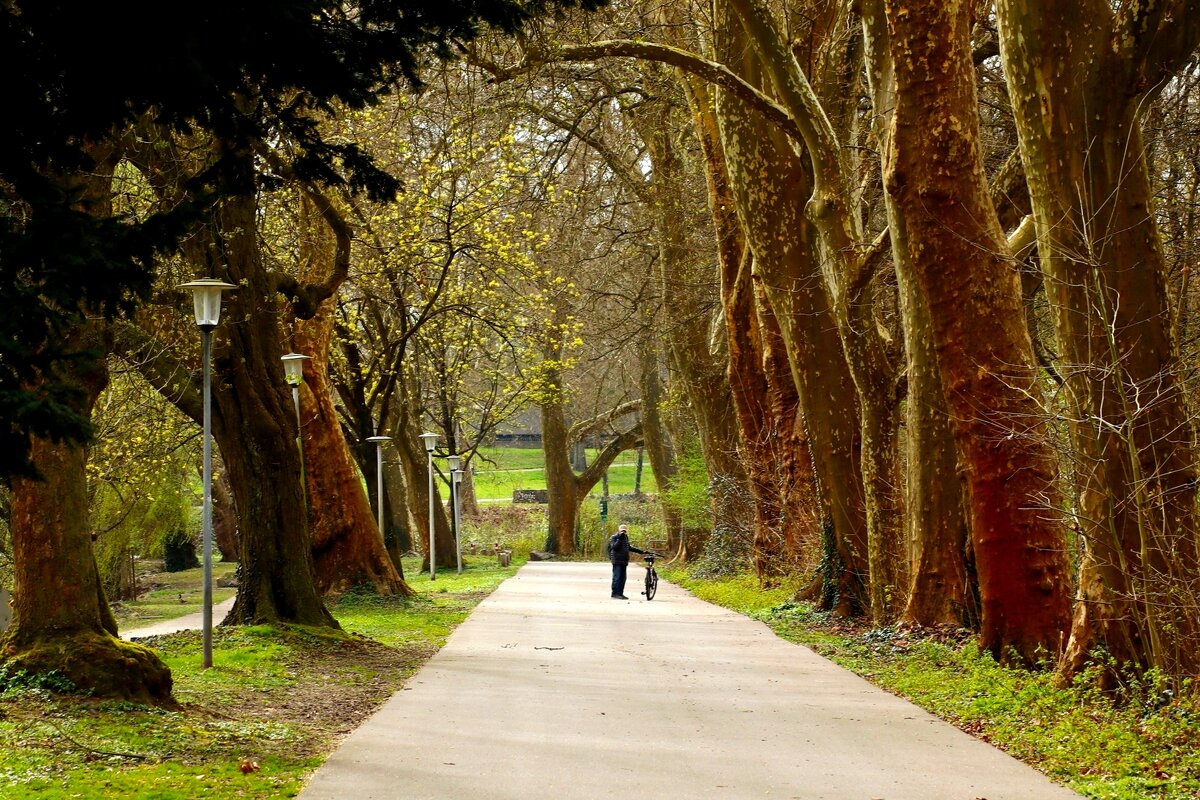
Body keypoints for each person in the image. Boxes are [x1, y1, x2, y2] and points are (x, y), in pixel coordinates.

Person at [606, 524, 648, 599]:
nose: (623, 532)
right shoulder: (614, 537)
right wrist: (619, 539)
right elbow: (614, 547)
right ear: (618, 530)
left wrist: (641, 551)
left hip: (624, 560)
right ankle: (615, 593)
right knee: (617, 577)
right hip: (617, 560)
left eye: (624, 531)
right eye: (622, 531)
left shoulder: (625, 537)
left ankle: (620, 593)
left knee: (623, 578)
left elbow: (629, 547)